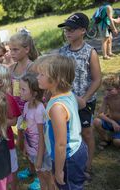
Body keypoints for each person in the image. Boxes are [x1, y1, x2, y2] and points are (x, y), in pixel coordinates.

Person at [58, 12, 102, 181]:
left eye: (72, 29)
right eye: (66, 29)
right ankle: (71, 163)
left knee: (87, 133)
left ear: (83, 30)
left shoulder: (90, 51)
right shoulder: (62, 51)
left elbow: (97, 79)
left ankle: (87, 166)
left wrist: (84, 98)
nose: (67, 32)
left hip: (85, 102)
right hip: (66, 102)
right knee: (69, 135)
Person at [36, 54, 88, 190]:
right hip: (75, 148)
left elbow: (60, 144)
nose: (37, 77)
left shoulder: (57, 108)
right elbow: (82, 104)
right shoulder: (67, 93)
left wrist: (58, 171)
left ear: (56, 79)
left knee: (68, 186)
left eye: (41, 74)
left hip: (67, 156)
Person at [18, 72, 54, 190]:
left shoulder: (40, 110)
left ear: (34, 93)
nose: (20, 92)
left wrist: (39, 157)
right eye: (20, 88)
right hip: (32, 149)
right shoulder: (26, 105)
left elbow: (42, 136)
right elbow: (25, 125)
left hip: (41, 152)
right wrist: (25, 147)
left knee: (47, 176)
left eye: (23, 89)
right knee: (40, 175)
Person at [9, 29, 39, 112]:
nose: (12, 53)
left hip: (33, 111)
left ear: (26, 49)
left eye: (15, 49)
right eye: (10, 49)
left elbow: (44, 90)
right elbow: (11, 92)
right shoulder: (11, 68)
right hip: (19, 112)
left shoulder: (34, 68)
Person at [93, 74, 120, 149]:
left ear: (118, 89)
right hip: (112, 122)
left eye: (109, 90)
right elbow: (100, 114)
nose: (106, 92)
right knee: (96, 121)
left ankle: (115, 138)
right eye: (105, 90)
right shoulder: (107, 98)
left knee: (117, 143)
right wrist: (113, 122)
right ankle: (106, 139)